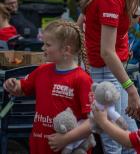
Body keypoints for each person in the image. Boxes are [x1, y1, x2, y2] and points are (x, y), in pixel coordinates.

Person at [79, 0, 140, 154]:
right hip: (106, 73)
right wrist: (132, 89)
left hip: (110, 71)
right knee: (117, 145)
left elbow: (81, 22)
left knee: (129, 142)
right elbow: (106, 51)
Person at [3, 20, 93, 154]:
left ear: (66, 50)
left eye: (48, 45)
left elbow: (94, 121)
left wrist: (66, 139)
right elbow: (21, 88)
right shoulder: (42, 70)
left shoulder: (82, 79)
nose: (42, 48)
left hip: (68, 149)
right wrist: (12, 84)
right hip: (39, 146)